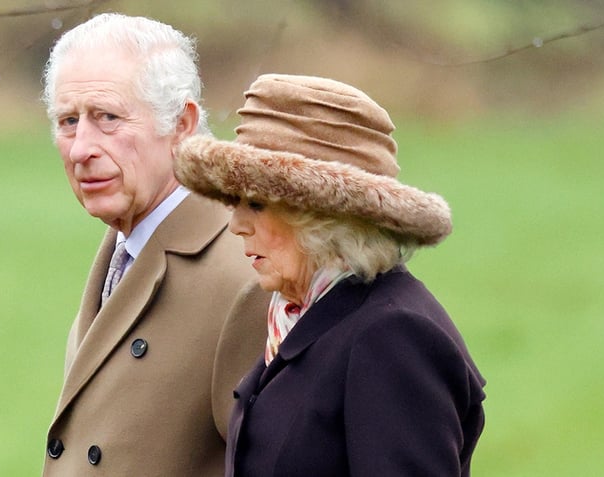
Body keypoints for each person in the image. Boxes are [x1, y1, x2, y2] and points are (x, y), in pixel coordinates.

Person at [174, 74, 487, 476]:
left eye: (255, 203)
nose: (235, 224)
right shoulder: (301, 316)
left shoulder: (393, 335)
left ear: (320, 216)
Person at [39, 13, 268, 476]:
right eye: (68, 121)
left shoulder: (244, 274)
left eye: (107, 117)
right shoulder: (124, 244)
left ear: (182, 124)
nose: (81, 147)